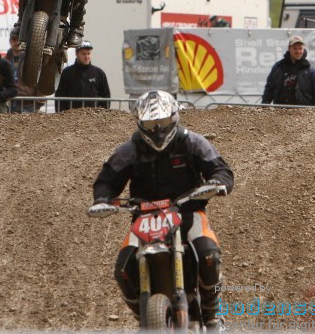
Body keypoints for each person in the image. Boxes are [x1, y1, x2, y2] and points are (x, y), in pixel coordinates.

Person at [89, 90, 233, 331]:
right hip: (145, 217)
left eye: (162, 122)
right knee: (122, 269)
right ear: (140, 123)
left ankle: (212, 313)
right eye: (150, 123)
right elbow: (106, 180)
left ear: (174, 117)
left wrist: (216, 184)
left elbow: (221, 170)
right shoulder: (130, 149)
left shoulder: (191, 141)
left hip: (188, 211)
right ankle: (144, 318)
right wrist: (102, 198)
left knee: (209, 253)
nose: (157, 129)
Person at [262, 35, 315, 106]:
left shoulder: (311, 70)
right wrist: (264, 107)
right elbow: (269, 89)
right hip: (280, 112)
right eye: (295, 48)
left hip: (303, 113)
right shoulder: (278, 67)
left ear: (303, 49)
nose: (298, 51)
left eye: (300, 48)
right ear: (289, 48)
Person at [54, 40, 111, 112]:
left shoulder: (99, 73)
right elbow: (60, 96)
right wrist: (61, 115)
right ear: (76, 54)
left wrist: (104, 114)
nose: (87, 56)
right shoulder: (67, 73)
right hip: (71, 117)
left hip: (94, 117)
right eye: (83, 54)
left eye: (88, 53)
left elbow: (106, 96)